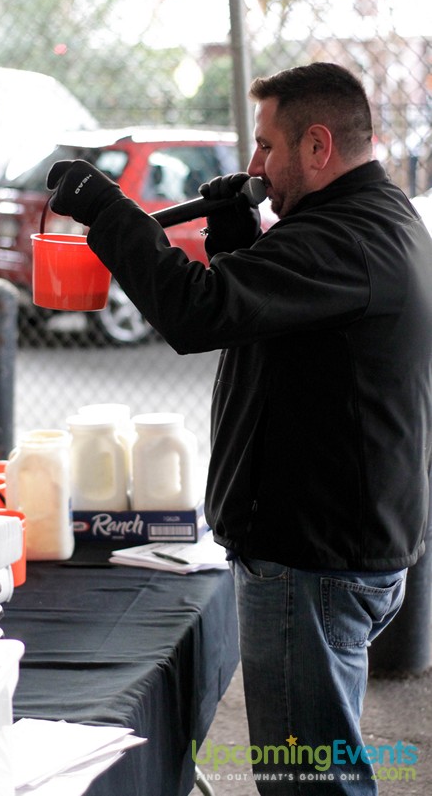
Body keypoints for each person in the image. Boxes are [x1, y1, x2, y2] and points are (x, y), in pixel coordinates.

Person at [46, 62, 432, 794]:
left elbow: (196, 314)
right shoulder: (369, 220)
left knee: (309, 780)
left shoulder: (342, 238)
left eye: (266, 148)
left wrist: (110, 211)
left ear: (317, 146)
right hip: (341, 543)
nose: (254, 166)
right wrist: (238, 241)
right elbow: (277, 318)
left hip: (314, 560)